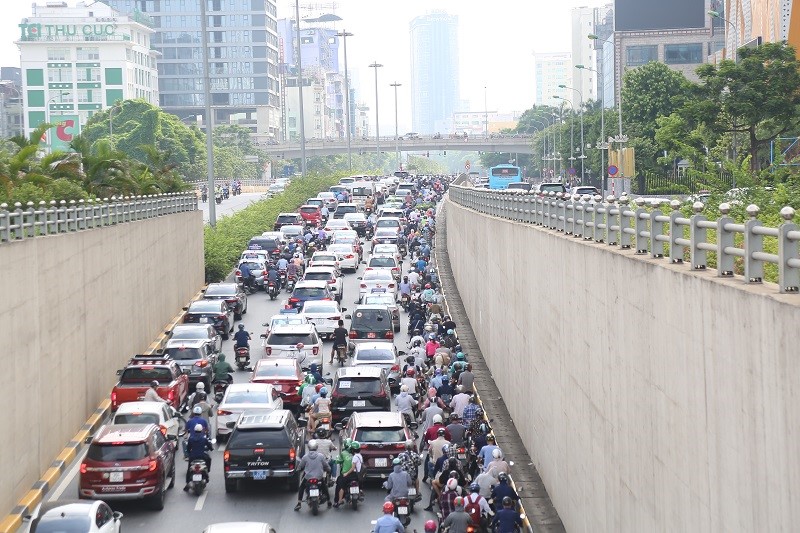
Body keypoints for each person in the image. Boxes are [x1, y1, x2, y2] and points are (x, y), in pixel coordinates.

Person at [294, 440, 332, 511]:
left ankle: (299, 503)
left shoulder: (305, 457)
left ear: (308, 447)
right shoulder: (321, 456)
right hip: (319, 478)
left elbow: (300, 466)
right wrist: (329, 469)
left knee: (301, 487)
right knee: (324, 487)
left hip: (308, 478)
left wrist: (298, 469)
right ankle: (329, 502)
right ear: (316, 447)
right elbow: (326, 466)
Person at [183, 425, 213, 491]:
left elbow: (188, 449)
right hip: (202, 456)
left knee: (189, 470)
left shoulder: (191, 438)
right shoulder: (204, 438)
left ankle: (187, 483)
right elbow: (209, 446)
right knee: (209, 459)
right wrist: (211, 448)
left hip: (193, 457)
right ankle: (207, 471)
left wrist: (189, 452)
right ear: (202, 430)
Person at [334, 441, 363, 507]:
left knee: (340, 484)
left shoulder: (353, 456)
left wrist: (346, 473)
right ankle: (360, 490)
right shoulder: (359, 456)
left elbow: (352, 468)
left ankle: (339, 500)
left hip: (351, 474)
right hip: (358, 475)